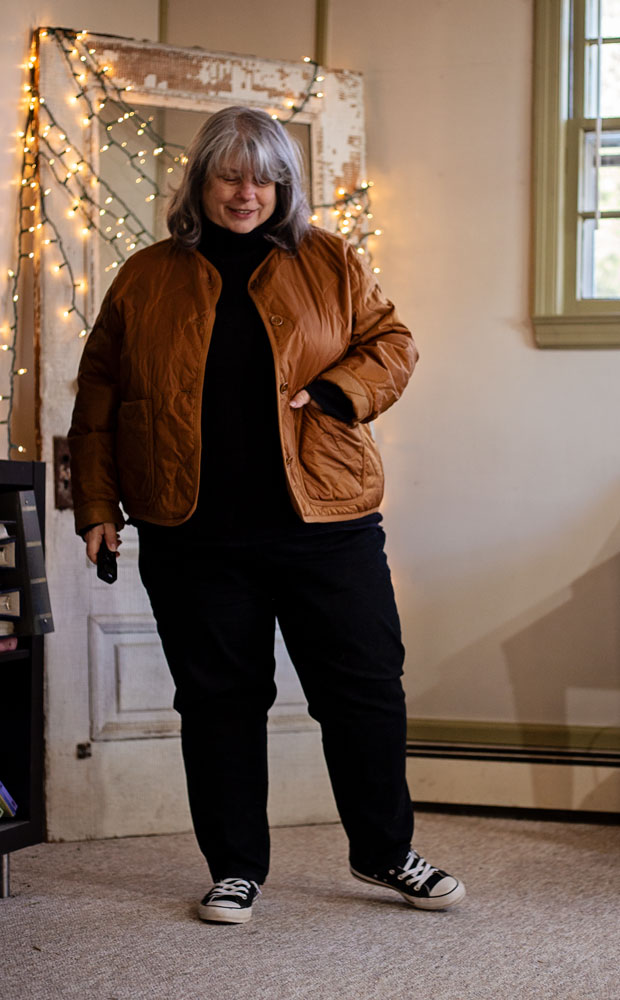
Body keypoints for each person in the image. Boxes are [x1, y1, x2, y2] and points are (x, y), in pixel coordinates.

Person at [69, 106, 466, 925]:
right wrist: (97, 506)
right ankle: (236, 867)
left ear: (283, 185)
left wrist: (332, 392)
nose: (246, 192)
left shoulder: (329, 260)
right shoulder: (144, 277)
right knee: (218, 700)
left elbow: (393, 345)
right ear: (201, 181)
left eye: (264, 177)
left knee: (364, 690)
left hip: (326, 518)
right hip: (193, 529)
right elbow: (99, 397)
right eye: (229, 174)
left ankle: (385, 850)